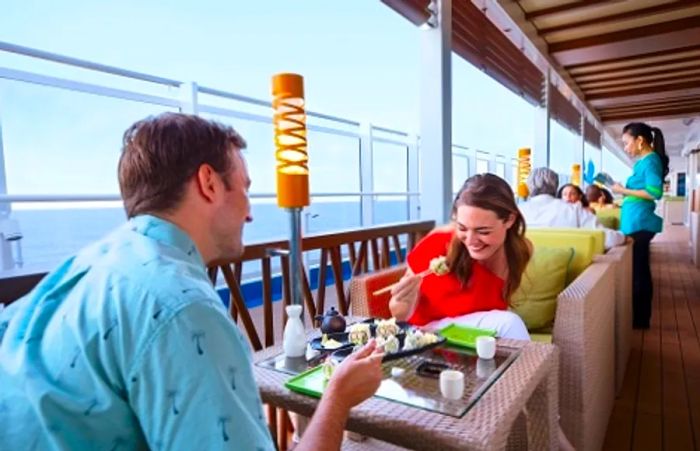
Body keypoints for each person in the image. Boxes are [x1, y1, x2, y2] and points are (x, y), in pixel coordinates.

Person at [0, 113, 384, 450]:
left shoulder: (81, 270)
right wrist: (337, 398)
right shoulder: (181, 308)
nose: (250, 213)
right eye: (245, 188)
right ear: (209, 182)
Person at [388, 174, 532, 341]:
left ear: (509, 220)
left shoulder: (520, 251)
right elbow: (400, 315)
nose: (470, 241)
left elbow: (492, 307)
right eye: (462, 228)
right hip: (426, 335)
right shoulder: (437, 243)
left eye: (483, 231)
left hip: (471, 336)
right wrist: (403, 303)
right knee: (509, 323)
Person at [612, 122, 669, 329]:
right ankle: (639, 318)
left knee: (639, 274)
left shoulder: (650, 161)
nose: (626, 148)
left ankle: (641, 320)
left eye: (627, 143)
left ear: (640, 140)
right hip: (636, 222)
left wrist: (623, 191)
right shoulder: (645, 162)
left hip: (640, 225)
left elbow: (655, 192)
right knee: (638, 271)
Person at [519, 167, 625, 249]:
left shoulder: (517, 212)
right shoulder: (573, 210)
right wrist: (623, 236)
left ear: (529, 187)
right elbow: (609, 239)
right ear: (556, 186)